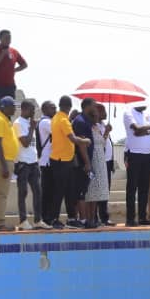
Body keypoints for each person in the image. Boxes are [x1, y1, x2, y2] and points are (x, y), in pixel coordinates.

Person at [47, 96, 89, 229]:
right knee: (60, 191)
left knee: (69, 191)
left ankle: (71, 218)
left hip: (65, 160)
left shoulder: (55, 118)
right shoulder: (64, 120)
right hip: (62, 161)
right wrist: (85, 141)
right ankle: (54, 219)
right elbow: (73, 139)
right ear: (69, 107)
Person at [123, 102, 150, 226]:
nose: (146, 104)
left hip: (147, 155)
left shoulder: (147, 114)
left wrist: (146, 130)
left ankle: (142, 218)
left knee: (144, 188)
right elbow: (136, 129)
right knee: (132, 188)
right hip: (133, 154)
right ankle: (130, 218)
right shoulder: (128, 113)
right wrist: (149, 126)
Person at [0, 96, 21, 231]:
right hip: (1, 161)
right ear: (3, 107)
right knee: (0, 193)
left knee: (2, 193)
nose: (14, 108)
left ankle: (0, 221)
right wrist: (4, 165)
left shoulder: (5, 119)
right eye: (12, 106)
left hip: (7, 160)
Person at [15, 100, 48, 230]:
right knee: (23, 192)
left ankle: (38, 220)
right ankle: (23, 221)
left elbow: (34, 143)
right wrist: (32, 129)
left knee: (38, 191)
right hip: (23, 162)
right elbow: (25, 143)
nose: (34, 112)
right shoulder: (18, 123)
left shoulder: (30, 122)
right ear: (24, 109)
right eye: (31, 110)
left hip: (33, 162)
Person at [70, 98, 99, 228]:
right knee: (80, 191)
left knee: (81, 190)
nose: (96, 107)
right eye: (94, 105)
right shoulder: (80, 122)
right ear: (87, 106)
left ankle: (79, 219)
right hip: (81, 162)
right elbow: (82, 145)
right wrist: (87, 163)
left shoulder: (85, 120)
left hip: (85, 161)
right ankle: (82, 220)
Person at [0, 30, 27, 124]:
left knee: (9, 110)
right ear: (0, 39)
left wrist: (15, 70)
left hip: (10, 86)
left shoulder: (14, 51)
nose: (8, 40)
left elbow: (24, 64)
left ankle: (7, 131)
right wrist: (2, 54)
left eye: (9, 38)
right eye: (6, 38)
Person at [85, 106, 110, 227]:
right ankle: (90, 218)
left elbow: (102, 142)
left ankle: (94, 219)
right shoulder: (88, 127)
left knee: (97, 191)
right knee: (91, 190)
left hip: (101, 160)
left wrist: (107, 132)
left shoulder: (96, 127)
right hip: (93, 160)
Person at [96, 103, 116, 226]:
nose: (105, 113)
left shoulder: (103, 125)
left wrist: (112, 161)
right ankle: (98, 217)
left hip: (107, 162)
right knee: (100, 190)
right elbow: (100, 143)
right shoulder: (95, 126)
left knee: (106, 190)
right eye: (102, 111)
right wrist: (107, 132)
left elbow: (109, 144)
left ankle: (104, 217)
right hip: (99, 162)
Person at [38, 100, 57, 225]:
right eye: (52, 108)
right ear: (45, 109)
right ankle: (46, 217)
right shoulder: (46, 122)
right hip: (46, 161)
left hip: (50, 161)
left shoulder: (49, 121)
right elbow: (59, 131)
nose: (55, 110)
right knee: (47, 191)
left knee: (51, 191)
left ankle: (49, 217)